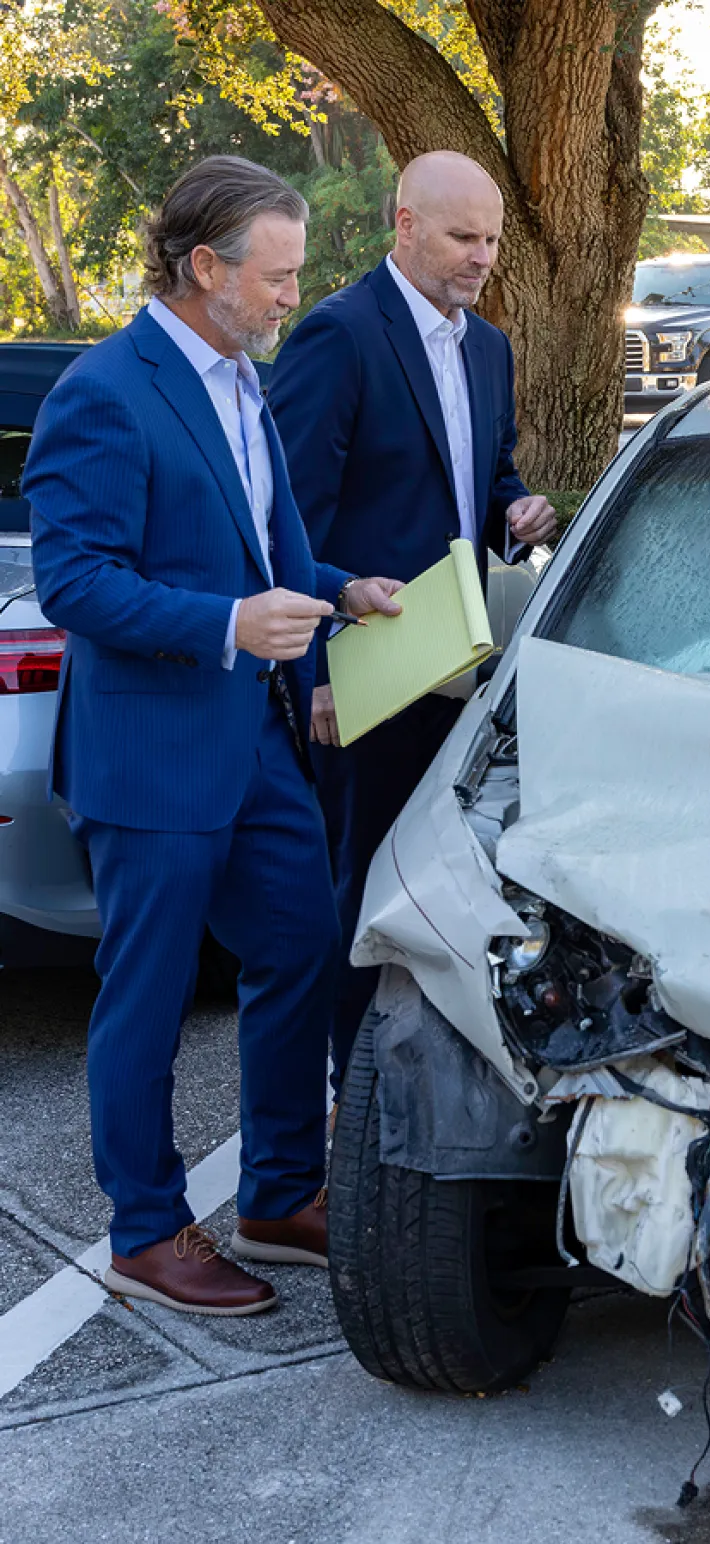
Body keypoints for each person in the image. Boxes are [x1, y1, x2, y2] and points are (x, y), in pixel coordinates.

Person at [23, 156, 402, 1317]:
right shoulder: (103, 390)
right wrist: (228, 622)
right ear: (204, 267)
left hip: (253, 746)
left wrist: (342, 589)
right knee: (143, 996)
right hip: (150, 761)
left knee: (302, 945)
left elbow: (271, 552)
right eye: (277, 274)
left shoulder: (242, 380)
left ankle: (280, 1192)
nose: (295, 293)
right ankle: (144, 1229)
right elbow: (75, 581)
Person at [268, 150, 557, 1101]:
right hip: (366, 672)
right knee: (362, 893)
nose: (482, 257)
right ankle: (357, 1113)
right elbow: (289, 519)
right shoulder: (338, 337)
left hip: (461, 668)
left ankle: (429, 1090)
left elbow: (485, 477)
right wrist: (312, 672)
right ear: (405, 225)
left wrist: (516, 508)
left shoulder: (491, 348)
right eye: (463, 237)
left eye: (492, 240)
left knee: (438, 886)